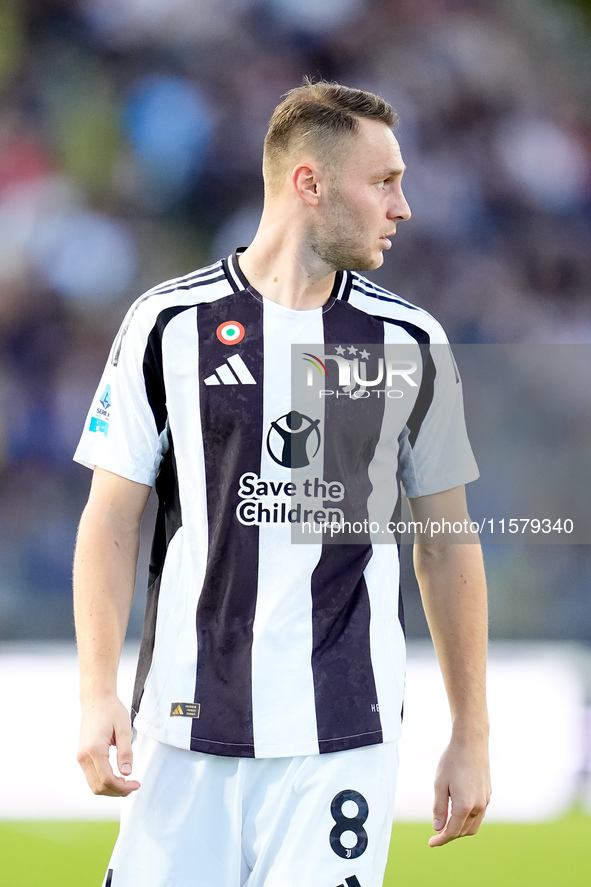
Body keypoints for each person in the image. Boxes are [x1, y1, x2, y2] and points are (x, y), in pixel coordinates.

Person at [73, 79, 490, 887]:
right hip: (184, 727)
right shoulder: (167, 324)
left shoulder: (408, 340)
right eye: (383, 183)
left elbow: (446, 543)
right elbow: (111, 518)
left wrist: (469, 731)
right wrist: (96, 692)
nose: (402, 207)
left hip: (341, 735)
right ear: (309, 182)